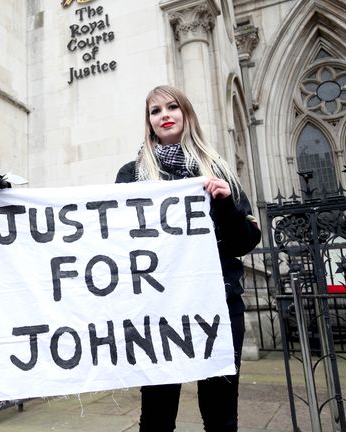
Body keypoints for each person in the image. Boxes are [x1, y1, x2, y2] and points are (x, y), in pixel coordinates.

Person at [115, 85, 261, 432]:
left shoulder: (218, 170)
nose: (164, 115)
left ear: (186, 114)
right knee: (157, 416)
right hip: (160, 311)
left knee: (220, 415)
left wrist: (225, 204)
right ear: (149, 123)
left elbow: (246, 241)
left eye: (171, 107)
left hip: (219, 306)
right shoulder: (132, 175)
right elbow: (117, 239)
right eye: (155, 111)